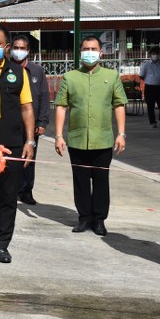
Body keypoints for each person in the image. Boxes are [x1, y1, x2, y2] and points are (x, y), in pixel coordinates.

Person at [54, 36, 127, 236]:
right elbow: (61, 106)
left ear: (101, 52)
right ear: (80, 52)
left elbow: (119, 105)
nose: (90, 52)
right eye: (86, 49)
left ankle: (99, 219)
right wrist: (58, 136)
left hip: (103, 140)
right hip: (77, 140)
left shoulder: (112, 76)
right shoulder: (70, 77)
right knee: (81, 180)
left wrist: (121, 134)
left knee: (101, 180)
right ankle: (84, 217)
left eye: (94, 49)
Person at [0, 24, 35, 264]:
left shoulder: (17, 72)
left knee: (8, 198)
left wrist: (30, 141)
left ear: (7, 47)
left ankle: (2, 245)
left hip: (11, 144)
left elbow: (26, 108)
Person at [10, 34, 49, 205]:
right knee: (10, 157)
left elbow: (44, 97)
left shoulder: (36, 71)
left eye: (22, 48)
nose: (18, 51)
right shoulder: (5, 68)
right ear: (10, 49)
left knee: (29, 158)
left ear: (28, 51)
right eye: (16, 48)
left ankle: (26, 191)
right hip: (10, 122)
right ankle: (10, 189)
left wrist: (42, 121)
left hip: (31, 123)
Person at [139, 46, 160, 127]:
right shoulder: (146, 64)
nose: (155, 55)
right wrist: (149, 80)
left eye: (157, 53)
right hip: (150, 88)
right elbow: (141, 76)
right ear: (150, 55)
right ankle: (152, 122)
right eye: (153, 54)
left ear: (159, 54)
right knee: (150, 106)